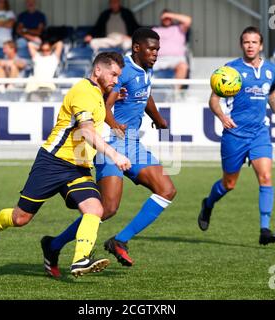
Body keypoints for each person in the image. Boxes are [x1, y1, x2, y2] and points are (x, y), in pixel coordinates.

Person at [0, 52, 131, 278]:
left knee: (95, 209)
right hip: (53, 162)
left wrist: (114, 96)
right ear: (98, 71)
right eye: (113, 74)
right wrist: (114, 154)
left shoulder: (97, 92)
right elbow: (86, 130)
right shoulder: (83, 91)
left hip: (77, 168)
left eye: (118, 76)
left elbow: (102, 109)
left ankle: (80, 260)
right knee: (20, 218)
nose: (116, 80)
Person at [45, 28, 177, 276]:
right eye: (151, 49)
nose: (156, 54)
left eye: (157, 49)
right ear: (137, 48)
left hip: (132, 144)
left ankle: (120, 240)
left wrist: (158, 120)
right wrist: (114, 124)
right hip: (110, 143)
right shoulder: (123, 70)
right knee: (107, 209)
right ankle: (53, 245)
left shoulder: (146, 69)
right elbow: (104, 105)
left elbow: (145, 96)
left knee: (167, 190)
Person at [197, 26, 275, 245]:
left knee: (266, 177)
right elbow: (213, 100)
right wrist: (221, 117)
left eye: (254, 42)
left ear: (261, 45)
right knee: (229, 184)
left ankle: (264, 229)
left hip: (259, 133)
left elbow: (272, 92)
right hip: (235, 135)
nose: (250, 46)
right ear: (242, 45)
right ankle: (208, 204)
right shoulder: (231, 69)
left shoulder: (270, 69)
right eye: (246, 42)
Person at [152, 9, 191, 86]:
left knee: (183, 66)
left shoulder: (179, 28)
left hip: (176, 59)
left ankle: (176, 95)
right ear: (161, 18)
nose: (167, 19)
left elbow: (188, 20)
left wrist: (169, 14)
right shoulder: (155, 30)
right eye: (165, 17)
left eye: (169, 17)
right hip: (158, 60)